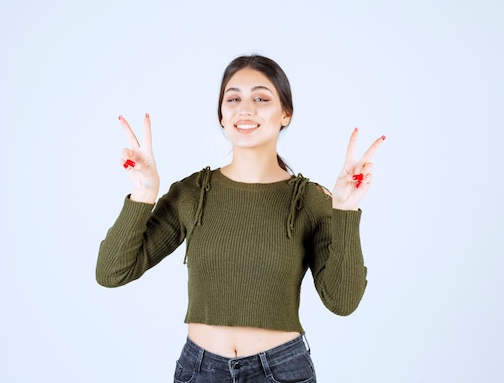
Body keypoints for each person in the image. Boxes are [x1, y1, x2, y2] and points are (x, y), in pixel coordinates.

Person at [96, 54, 385, 382]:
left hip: (281, 370)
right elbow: (112, 272)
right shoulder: (192, 193)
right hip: (199, 370)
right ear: (221, 114)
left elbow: (342, 301)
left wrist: (345, 210)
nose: (245, 109)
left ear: (285, 114)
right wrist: (144, 194)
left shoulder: (311, 201)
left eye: (261, 98)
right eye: (233, 99)